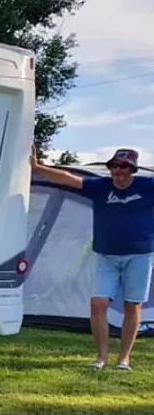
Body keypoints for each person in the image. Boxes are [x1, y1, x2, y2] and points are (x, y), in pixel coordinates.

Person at [31, 147, 154, 370]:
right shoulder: (100, 187)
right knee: (98, 304)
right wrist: (38, 168)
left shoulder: (148, 186)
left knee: (132, 305)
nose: (117, 171)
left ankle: (124, 359)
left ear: (132, 169)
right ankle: (101, 358)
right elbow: (69, 179)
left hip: (139, 255)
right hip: (106, 255)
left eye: (122, 167)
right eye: (113, 166)